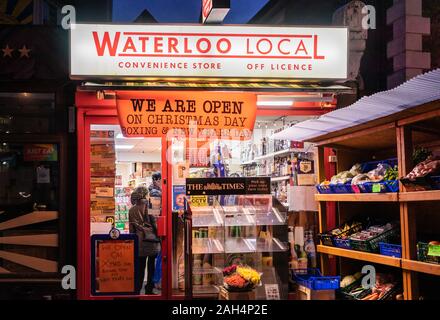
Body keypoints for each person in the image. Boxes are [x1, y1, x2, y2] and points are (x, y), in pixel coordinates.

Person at [129, 186, 160, 294]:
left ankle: (137, 290)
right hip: (151, 241)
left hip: (139, 242)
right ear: (145, 194)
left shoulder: (132, 209)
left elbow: (131, 229)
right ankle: (149, 289)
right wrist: (159, 236)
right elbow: (155, 224)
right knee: (151, 267)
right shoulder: (150, 205)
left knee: (139, 268)